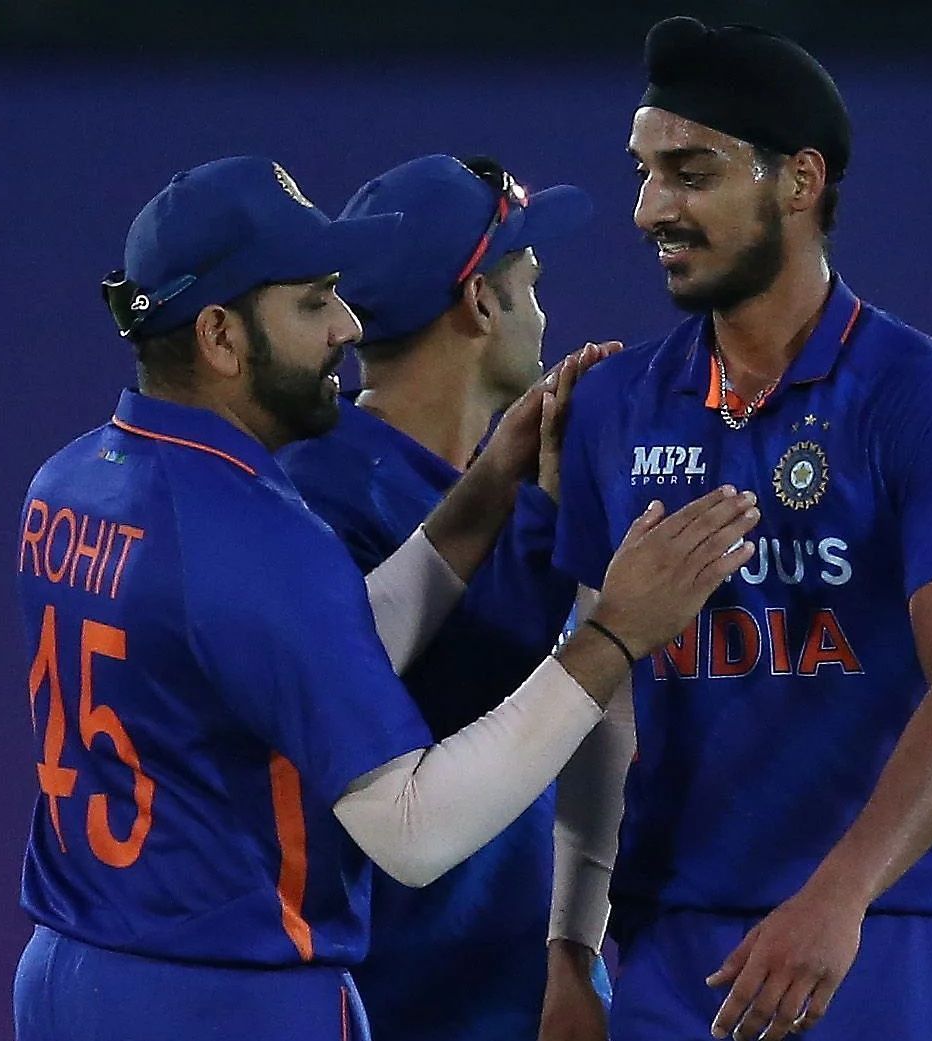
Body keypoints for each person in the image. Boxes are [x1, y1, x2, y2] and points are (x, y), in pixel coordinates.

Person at [10, 153, 762, 1041]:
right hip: (227, 995)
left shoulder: (71, 481)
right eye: (310, 301)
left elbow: (323, 647)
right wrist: (615, 633)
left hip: (73, 969)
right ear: (220, 337)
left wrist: (486, 490)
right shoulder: (255, 537)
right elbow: (413, 828)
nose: (344, 325)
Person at [543, 18, 932, 1041]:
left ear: (799, 180)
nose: (652, 210)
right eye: (646, 173)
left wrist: (841, 895)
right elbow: (601, 700)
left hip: (884, 930)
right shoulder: (615, 406)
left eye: (690, 173)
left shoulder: (922, 398)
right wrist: (569, 946)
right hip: (674, 947)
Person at [278, 153, 608, 1041]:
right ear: (479, 304)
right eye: (527, 283)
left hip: (515, 992)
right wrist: (553, 531)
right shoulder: (319, 495)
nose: (541, 311)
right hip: (399, 1001)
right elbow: (459, 699)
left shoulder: (481, 478)